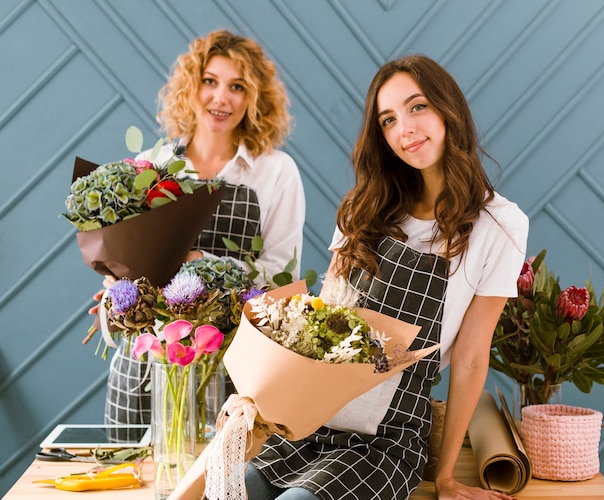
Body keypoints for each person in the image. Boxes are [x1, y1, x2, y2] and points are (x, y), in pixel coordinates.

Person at [245, 55, 528, 499]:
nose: (405, 130)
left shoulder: (500, 225)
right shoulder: (365, 207)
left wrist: (447, 477)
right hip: (312, 420)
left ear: (447, 108)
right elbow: (323, 321)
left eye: (417, 108)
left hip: (387, 439)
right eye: (389, 120)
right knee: (234, 488)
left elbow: (472, 359)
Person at [93, 30, 306, 427]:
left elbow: (281, 279)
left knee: (221, 484)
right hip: (147, 365)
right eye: (210, 81)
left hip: (230, 365)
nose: (221, 98)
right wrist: (116, 296)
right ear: (191, 88)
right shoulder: (150, 165)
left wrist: (196, 263)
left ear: (255, 98)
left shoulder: (276, 173)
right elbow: (123, 264)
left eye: (237, 87)